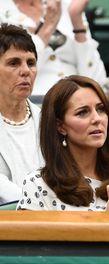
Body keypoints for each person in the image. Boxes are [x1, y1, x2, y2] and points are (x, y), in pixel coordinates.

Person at [17, 75, 109, 211]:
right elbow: (30, 233)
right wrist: (108, 224)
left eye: (101, 109)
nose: (97, 119)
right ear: (60, 126)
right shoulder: (38, 185)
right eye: (82, 112)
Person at [0, 0, 109, 96]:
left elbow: (97, 79)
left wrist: (76, 20)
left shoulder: (66, 4)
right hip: (35, 100)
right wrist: (48, 26)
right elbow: (15, 72)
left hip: (77, 97)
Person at [0, 23, 43, 204]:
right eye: (14, 63)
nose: (26, 71)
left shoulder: (50, 121)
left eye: (31, 63)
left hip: (53, 223)